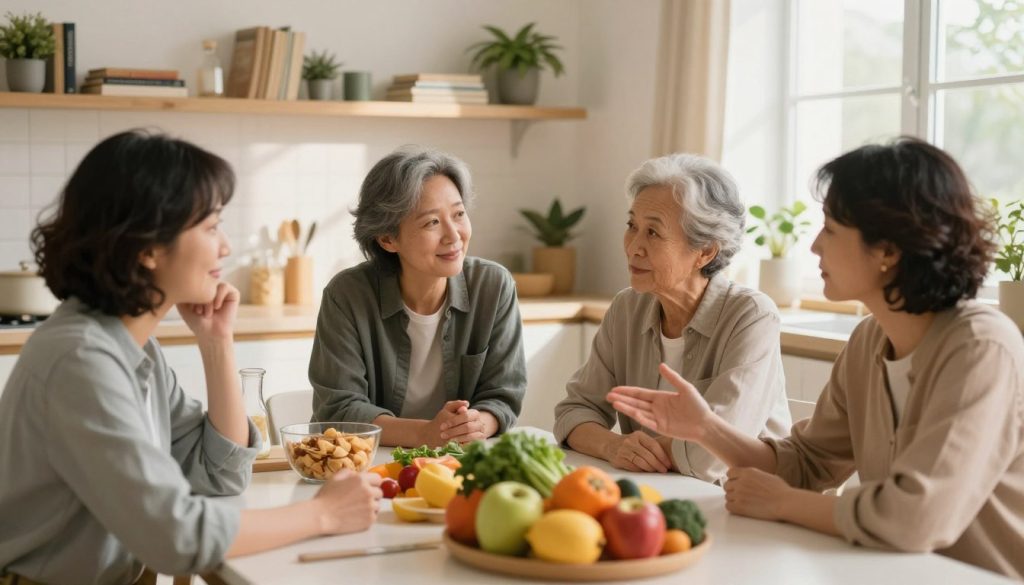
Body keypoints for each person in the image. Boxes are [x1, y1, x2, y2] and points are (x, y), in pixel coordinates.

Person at [608, 137, 1024, 579]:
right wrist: (706, 428)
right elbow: (807, 464)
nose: (813, 248)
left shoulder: (981, 347)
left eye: (830, 229)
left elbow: (917, 518)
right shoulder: (869, 341)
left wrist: (784, 503)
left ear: (887, 250)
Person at [0, 130, 382, 585]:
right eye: (210, 226)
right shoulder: (82, 361)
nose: (225, 247)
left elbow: (216, 475)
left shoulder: (132, 344)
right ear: (147, 248)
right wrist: (320, 514)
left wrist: (216, 343)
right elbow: (176, 538)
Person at [554, 153, 791, 482]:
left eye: (653, 233)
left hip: (745, 504)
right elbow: (574, 412)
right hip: (657, 492)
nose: (633, 246)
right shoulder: (628, 308)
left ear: (705, 252)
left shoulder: (751, 316)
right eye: (632, 226)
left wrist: (637, 452)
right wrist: (613, 446)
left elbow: (711, 456)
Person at [310, 146, 526, 448]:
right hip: (372, 468)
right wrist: (424, 434)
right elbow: (338, 410)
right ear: (388, 239)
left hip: (463, 462)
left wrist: (475, 423)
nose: (454, 236)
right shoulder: (347, 296)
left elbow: (503, 394)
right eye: (431, 222)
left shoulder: (493, 286)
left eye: (459, 214)